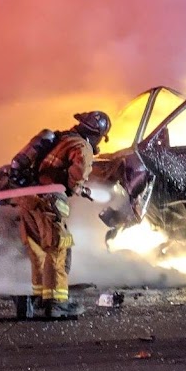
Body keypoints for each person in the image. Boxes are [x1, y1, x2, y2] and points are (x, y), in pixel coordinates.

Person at [15, 110, 110, 318]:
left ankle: (41, 297)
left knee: (39, 250)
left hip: (28, 198)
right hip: (49, 201)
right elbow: (77, 175)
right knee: (59, 249)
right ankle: (57, 302)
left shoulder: (60, 139)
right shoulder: (82, 146)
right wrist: (77, 187)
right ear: (96, 135)